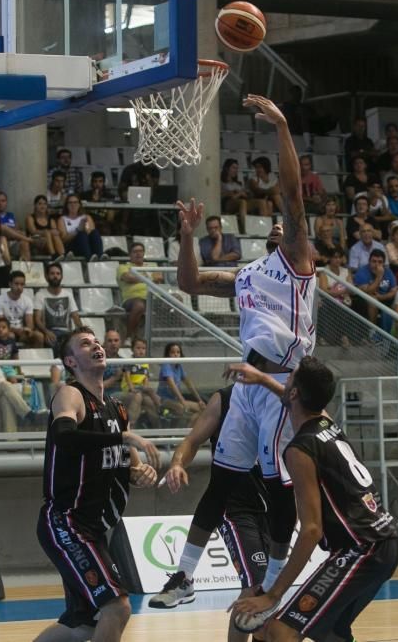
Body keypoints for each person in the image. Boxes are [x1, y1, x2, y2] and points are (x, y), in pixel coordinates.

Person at [154, 94, 314, 610]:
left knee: (276, 486)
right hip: (247, 384)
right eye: (276, 225)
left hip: (281, 385)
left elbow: (292, 194)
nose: (280, 224)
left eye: (285, 223)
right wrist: (186, 236)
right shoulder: (247, 274)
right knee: (222, 480)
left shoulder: (297, 262)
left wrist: (283, 128)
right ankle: (183, 577)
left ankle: (270, 584)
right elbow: (191, 282)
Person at [228, 357, 398, 640]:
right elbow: (301, 401)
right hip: (384, 542)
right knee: (330, 632)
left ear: (294, 392)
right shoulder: (327, 424)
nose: (285, 383)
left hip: (362, 548)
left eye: (290, 379)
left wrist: (273, 595)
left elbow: (311, 530)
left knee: (281, 631)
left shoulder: (299, 451)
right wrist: (261, 379)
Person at [34, 328, 159, 642]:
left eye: (97, 341)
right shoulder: (71, 394)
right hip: (66, 522)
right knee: (117, 607)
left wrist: (140, 471)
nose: (96, 346)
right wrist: (123, 437)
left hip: (95, 527)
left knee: (82, 626)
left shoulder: (116, 408)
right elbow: (65, 436)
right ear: (71, 361)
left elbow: (126, 462)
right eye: (85, 344)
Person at [160, 383, 271, 641]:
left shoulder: (284, 397)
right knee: (255, 586)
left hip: (272, 507)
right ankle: (184, 576)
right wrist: (177, 464)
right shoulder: (226, 397)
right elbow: (192, 440)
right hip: (235, 507)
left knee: (267, 592)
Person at [118, 242, 163, 339]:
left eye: (141, 251)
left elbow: (159, 277)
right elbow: (128, 278)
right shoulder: (123, 267)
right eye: (135, 252)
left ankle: (184, 333)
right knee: (139, 305)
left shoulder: (152, 265)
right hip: (132, 299)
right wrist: (149, 276)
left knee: (177, 298)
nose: (138, 254)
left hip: (153, 298)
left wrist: (138, 277)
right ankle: (129, 337)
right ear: (130, 254)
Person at [34, 262, 83, 352]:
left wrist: (83, 332)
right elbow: (37, 319)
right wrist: (46, 332)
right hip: (50, 332)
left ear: (61, 276)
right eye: (52, 274)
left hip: (66, 332)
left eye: (58, 273)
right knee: (54, 341)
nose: (55, 276)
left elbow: (75, 317)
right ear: (46, 276)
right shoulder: (40, 295)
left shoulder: (68, 294)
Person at [157, 342, 206, 425]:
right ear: (167, 354)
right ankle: (174, 433)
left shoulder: (179, 366)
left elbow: (188, 383)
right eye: (172, 352)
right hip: (164, 400)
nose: (176, 354)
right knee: (181, 408)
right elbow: (172, 385)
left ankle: (187, 431)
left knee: (203, 409)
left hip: (176, 400)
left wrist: (199, 400)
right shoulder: (166, 365)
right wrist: (182, 400)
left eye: (178, 352)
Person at [0, 270, 44, 347]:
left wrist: (27, 330)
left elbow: (30, 324)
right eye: (16, 284)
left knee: (39, 336)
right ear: (10, 284)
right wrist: (17, 331)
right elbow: (1, 325)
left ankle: (33, 357)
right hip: (6, 331)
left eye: (22, 284)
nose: (19, 287)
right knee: (11, 336)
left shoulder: (27, 300)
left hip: (22, 332)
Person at [56, 194, 103, 260]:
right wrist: (77, 230)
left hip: (86, 244)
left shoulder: (86, 217)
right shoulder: (62, 219)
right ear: (67, 205)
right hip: (72, 247)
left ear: (79, 204)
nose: (73, 205)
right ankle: (89, 259)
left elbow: (91, 233)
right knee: (81, 235)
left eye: (75, 202)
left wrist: (85, 228)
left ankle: (100, 256)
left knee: (94, 232)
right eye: (70, 203)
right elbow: (64, 240)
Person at [26, 195, 66, 259]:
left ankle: (63, 255)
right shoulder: (30, 218)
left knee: (55, 235)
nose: (42, 206)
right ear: (35, 205)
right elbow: (33, 231)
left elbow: (55, 232)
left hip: (49, 240)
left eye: (44, 204)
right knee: (47, 233)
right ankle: (53, 255)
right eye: (40, 204)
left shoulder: (51, 220)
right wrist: (47, 232)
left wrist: (57, 232)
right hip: (36, 240)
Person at [220, 158, 249, 232]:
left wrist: (241, 193)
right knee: (242, 202)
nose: (235, 170)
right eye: (233, 168)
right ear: (227, 168)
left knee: (263, 203)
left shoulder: (238, 183)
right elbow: (229, 196)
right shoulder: (221, 182)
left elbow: (244, 194)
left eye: (237, 168)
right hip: (227, 203)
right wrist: (239, 193)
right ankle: (245, 228)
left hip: (242, 200)